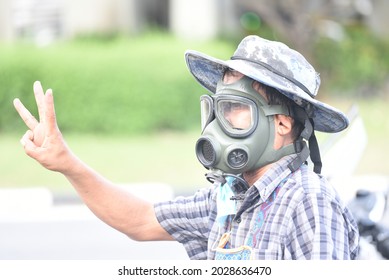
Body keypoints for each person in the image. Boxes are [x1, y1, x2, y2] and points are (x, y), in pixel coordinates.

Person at [13, 35, 359, 260]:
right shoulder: (229, 198)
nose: (217, 126)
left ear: (282, 123)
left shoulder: (308, 201)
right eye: (217, 108)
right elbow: (141, 220)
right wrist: (67, 164)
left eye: (234, 109)